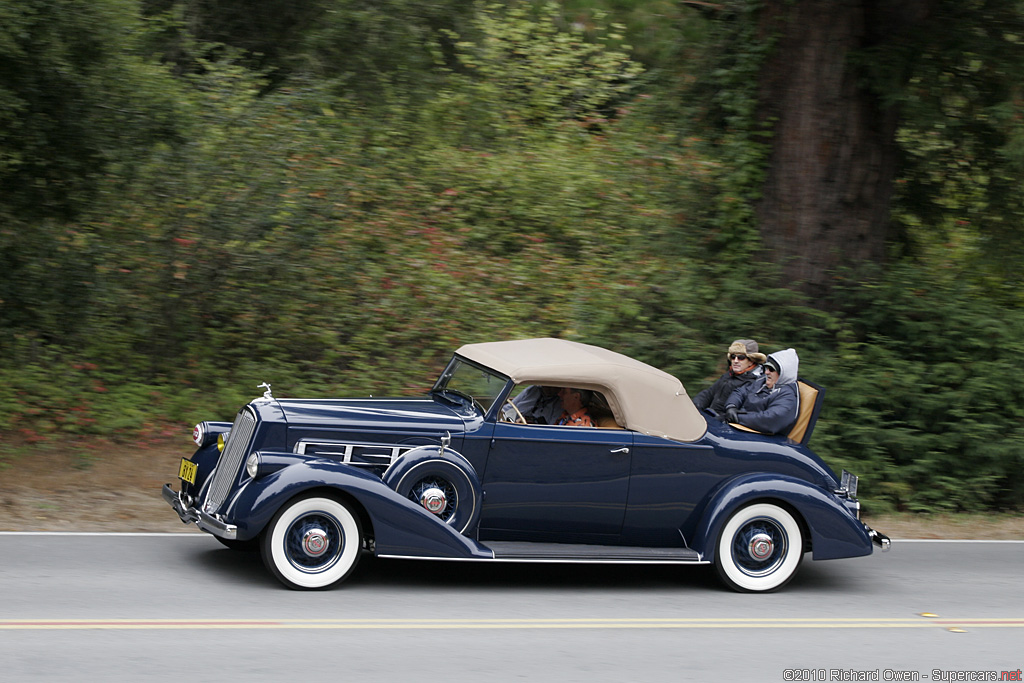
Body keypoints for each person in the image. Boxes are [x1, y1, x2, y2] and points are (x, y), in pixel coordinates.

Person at [724, 348, 800, 435]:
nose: (766, 372)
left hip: (758, 436)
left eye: (771, 369)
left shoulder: (787, 397)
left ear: (783, 373)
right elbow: (740, 392)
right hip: (739, 426)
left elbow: (770, 419)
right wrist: (731, 406)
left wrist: (736, 417)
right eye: (766, 367)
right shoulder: (762, 381)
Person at [692, 340, 767, 416]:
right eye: (733, 357)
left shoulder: (756, 382)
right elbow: (709, 393)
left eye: (741, 357)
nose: (735, 361)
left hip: (726, 423)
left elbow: (744, 411)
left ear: (751, 361)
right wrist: (695, 406)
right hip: (710, 416)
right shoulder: (729, 375)